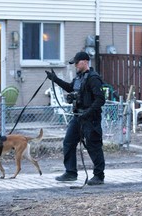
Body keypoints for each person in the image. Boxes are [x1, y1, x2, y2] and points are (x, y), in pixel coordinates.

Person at [45, 51, 106, 185]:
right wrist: (54, 79)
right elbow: (70, 88)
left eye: (77, 63)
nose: (75, 66)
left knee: (93, 145)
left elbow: (100, 99)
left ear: (84, 62)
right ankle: (70, 173)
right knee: (69, 142)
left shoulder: (93, 78)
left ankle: (99, 176)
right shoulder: (79, 78)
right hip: (78, 116)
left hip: (90, 118)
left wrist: (88, 112)